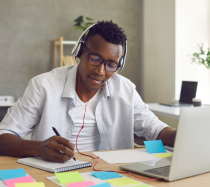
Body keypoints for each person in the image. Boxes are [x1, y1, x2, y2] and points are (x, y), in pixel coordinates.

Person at [0, 21, 176, 163]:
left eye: (110, 64)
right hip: (53, 176)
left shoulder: (125, 90)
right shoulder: (43, 86)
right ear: (80, 52)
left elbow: (155, 129)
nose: (100, 71)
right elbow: (3, 136)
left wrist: (181, 136)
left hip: (107, 176)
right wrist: (37, 148)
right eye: (95, 58)